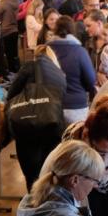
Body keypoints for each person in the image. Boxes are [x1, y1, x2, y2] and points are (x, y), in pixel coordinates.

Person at [8, 45, 67, 191]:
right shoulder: (59, 73)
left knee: (32, 175)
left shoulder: (29, 66)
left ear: (36, 55)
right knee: (49, 172)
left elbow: (11, 94)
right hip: (53, 125)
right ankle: (48, 199)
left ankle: (33, 200)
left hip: (28, 126)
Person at [48, 16, 96, 125]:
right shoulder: (80, 52)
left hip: (50, 104)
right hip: (76, 106)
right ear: (72, 30)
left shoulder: (45, 50)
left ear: (55, 30)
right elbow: (91, 81)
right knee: (77, 136)